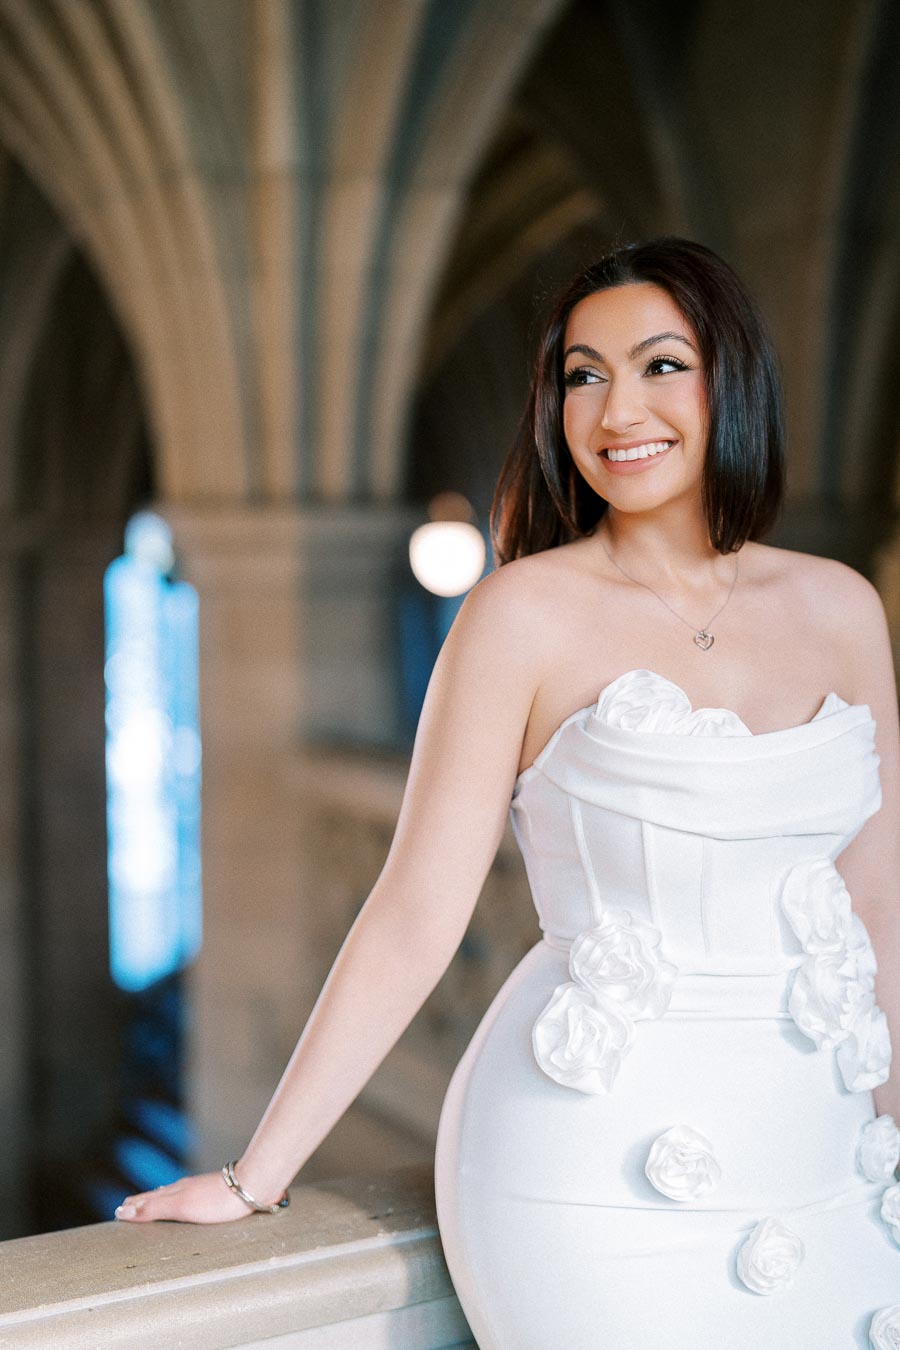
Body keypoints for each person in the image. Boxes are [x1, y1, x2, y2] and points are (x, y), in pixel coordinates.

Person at [115, 238, 900, 1346]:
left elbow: (877, 911)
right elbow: (414, 912)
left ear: (734, 379)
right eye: (584, 374)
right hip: (588, 1152)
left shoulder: (842, 608)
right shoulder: (520, 616)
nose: (618, 408)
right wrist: (254, 1178)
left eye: (660, 365)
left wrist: (888, 1140)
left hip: (815, 1141)